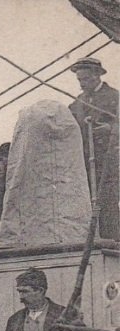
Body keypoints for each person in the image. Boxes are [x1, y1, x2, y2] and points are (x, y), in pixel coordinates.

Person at [69, 57, 119, 241]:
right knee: (87, 202)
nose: (82, 84)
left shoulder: (115, 97)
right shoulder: (77, 103)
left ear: (97, 76)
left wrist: (111, 130)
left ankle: (112, 242)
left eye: (86, 80)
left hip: (110, 161)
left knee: (108, 202)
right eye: (80, 80)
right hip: (85, 162)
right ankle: (93, 241)